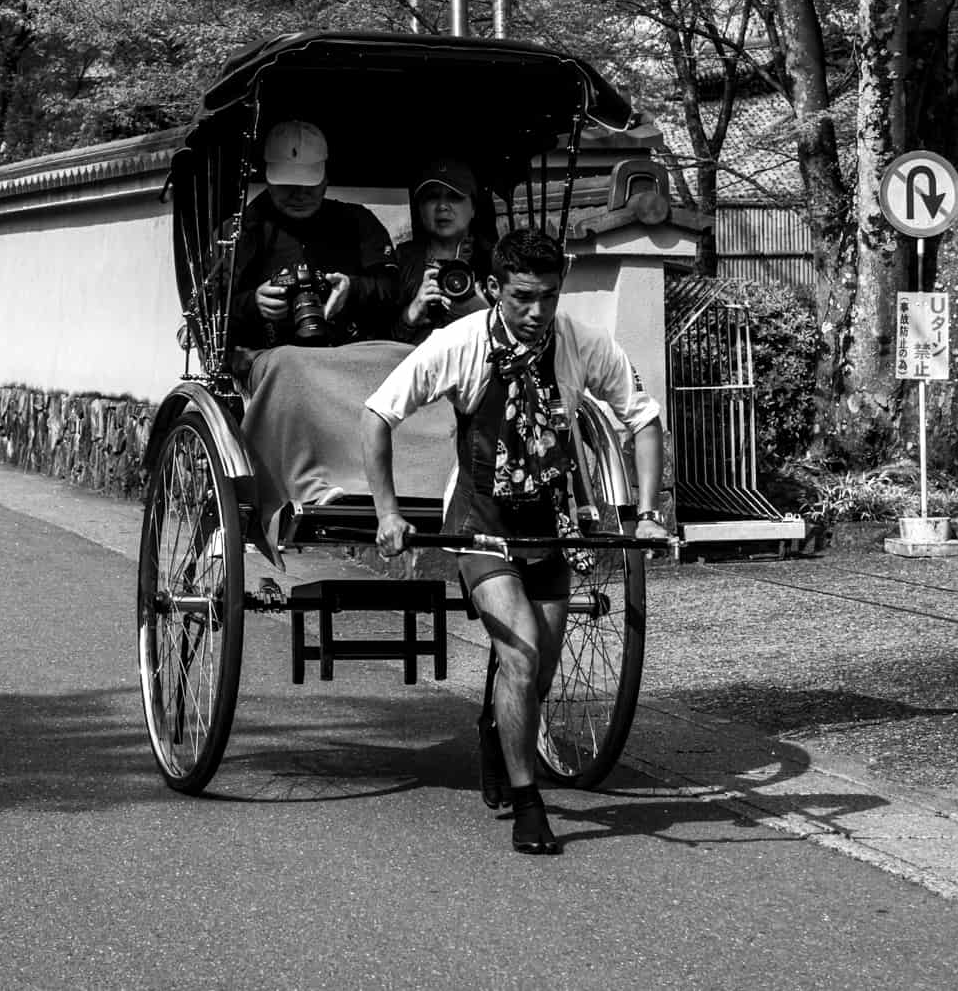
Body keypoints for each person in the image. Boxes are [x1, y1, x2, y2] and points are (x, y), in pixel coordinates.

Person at [363, 227, 670, 856]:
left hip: (552, 521)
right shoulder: (459, 343)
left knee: (537, 670)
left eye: (549, 297)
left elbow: (641, 416)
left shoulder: (582, 343)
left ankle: (494, 724)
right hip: (480, 520)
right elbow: (378, 415)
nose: (536, 313)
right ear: (493, 288)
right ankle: (531, 804)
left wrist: (644, 512)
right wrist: (388, 512)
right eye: (522, 297)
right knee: (523, 655)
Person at [228, 119, 398, 352]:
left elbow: (393, 291)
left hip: (351, 353)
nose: (299, 195)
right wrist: (254, 303)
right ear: (268, 178)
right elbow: (207, 311)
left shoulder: (358, 222)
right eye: (288, 185)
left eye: (309, 184)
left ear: (326, 177)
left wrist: (352, 289)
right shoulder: (241, 231)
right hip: (269, 359)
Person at [393, 157, 493, 345]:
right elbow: (378, 342)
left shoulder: (496, 260)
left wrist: (486, 316)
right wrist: (410, 315)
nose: (442, 207)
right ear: (420, 208)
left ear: (473, 207)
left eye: (454, 197)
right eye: (431, 197)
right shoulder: (399, 262)